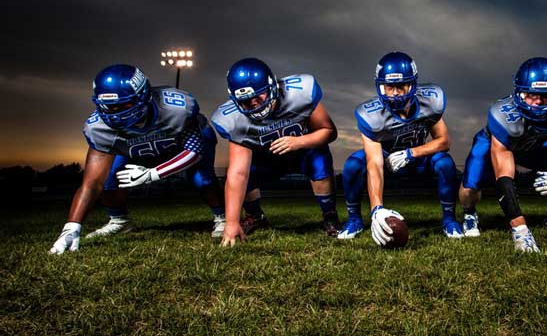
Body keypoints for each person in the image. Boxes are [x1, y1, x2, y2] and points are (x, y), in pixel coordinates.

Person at [50, 64, 224, 254]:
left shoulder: (177, 108)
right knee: (108, 180)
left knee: (202, 177)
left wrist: (152, 174)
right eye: (109, 107)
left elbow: (194, 151)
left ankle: (221, 217)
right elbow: (92, 184)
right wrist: (72, 226)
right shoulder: (98, 129)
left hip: (182, 143)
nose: (116, 112)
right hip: (137, 150)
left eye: (123, 105)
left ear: (144, 96)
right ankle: (119, 220)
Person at [459, 57, 547, 252]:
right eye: (530, 94)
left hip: (533, 145)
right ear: (519, 92)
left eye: (545, 95)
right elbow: (504, 179)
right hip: (499, 143)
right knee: (470, 186)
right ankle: (469, 214)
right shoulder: (502, 116)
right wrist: (520, 230)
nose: (537, 102)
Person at [212, 58, 340, 247]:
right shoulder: (232, 119)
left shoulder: (300, 93)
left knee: (320, 159)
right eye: (246, 101)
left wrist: (299, 141)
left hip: (302, 152)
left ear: (272, 87)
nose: (254, 104)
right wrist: (231, 222)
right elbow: (238, 173)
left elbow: (329, 132)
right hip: (266, 159)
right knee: (242, 175)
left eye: (259, 96)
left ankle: (330, 215)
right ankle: (255, 216)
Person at [339, 52, 463, 246]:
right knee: (353, 164)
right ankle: (354, 219)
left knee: (445, 163)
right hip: (386, 159)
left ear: (412, 85)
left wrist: (411, 153)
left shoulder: (430, 102)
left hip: (417, 157)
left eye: (400, 86)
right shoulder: (371, 115)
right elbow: (374, 162)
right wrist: (377, 209)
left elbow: (444, 141)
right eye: (389, 87)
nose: (395, 93)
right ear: (381, 86)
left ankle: (449, 220)